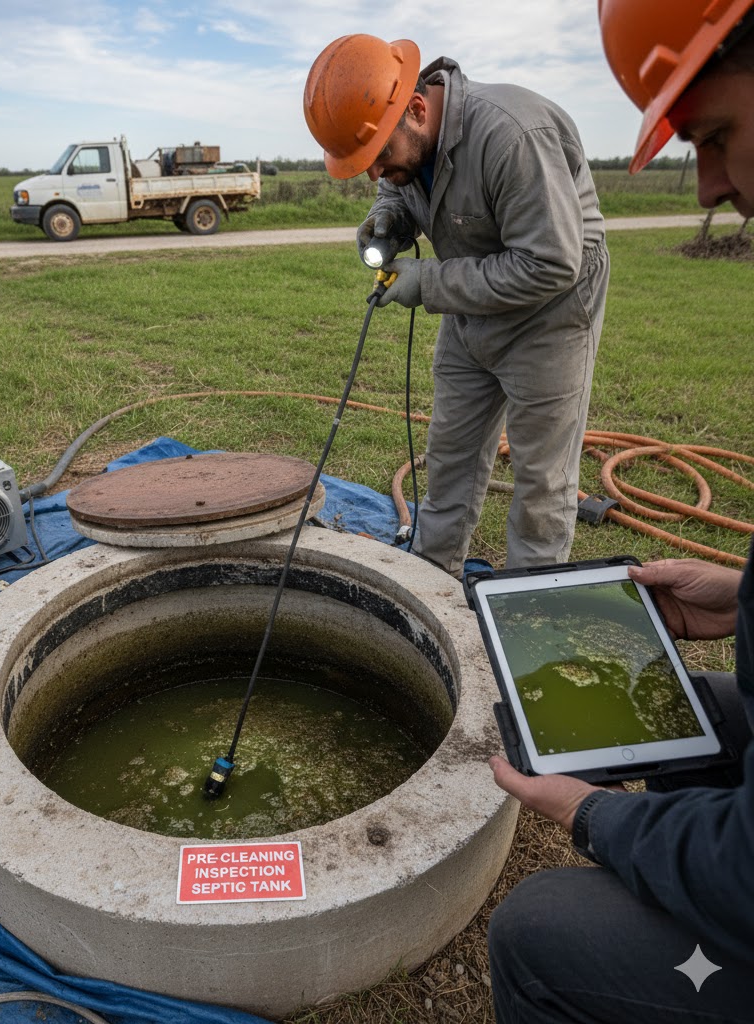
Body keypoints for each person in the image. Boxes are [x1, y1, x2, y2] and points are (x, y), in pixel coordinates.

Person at [487, 1, 754, 1020]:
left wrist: (598, 821)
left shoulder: (507, 135)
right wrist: (741, 593)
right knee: (673, 719)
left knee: (536, 930)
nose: (710, 187)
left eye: (715, 135)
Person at [303, 35, 610, 575]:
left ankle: (522, 614)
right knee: (450, 457)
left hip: (550, 314)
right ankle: (431, 588)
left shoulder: (512, 134)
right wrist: (390, 216)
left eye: (379, 159)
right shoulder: (412, 142)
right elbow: (403, 183)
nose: (375, 174)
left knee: (542, 483)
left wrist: (428, 282)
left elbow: (551, 263)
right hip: (470, 306)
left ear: (418, 109)